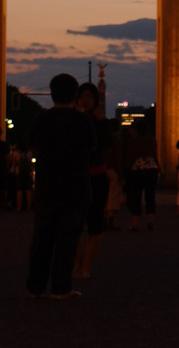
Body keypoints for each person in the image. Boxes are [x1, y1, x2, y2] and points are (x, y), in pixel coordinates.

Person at [26, 73, 96, 299]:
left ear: (52, 93)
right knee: (68, 239)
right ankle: (61, 286)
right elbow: (92, 147)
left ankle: (36, 286)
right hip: (75, 186)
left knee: (42, 238)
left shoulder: (40, 119)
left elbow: (32, 144)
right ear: (74, 95)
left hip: (47, 185)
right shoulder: (83, 121)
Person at [72, 82, 115, 278]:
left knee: (94, 224)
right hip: (76, 177)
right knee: (75, 225)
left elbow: (107, 146)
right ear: (77, 99)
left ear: (96, 99)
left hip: (97, 176)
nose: (86, 100)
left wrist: (101, 122)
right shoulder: (72, 120)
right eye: (82, 96)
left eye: (90, 96)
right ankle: (76, 265)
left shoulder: (102, 123)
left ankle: (86, 267)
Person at [122, 118, 160, 230]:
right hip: (151, 168)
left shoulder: (133, 141)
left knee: (136, 196)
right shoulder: (152, 140)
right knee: (150, 195)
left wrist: (127, 169)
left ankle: (134, 223)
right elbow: (154, 154)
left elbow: (129, 156)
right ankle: (150, 221)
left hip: (137, 169)